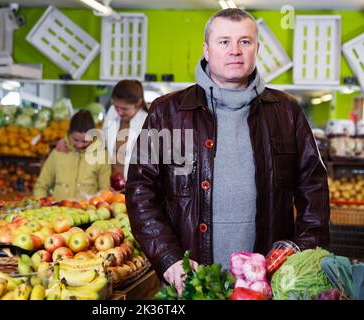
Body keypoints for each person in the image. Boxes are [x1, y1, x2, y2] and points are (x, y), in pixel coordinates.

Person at [125, 8, 330, 295]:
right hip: (191, 283)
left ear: (256, 48)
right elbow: (140, 193)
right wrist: (169, 259)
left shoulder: (286, 112)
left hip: (268, 283)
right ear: (206, 50)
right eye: (224, 42)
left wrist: (301, 249)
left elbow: (314, 189)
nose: (235, 50)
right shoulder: (167, 112)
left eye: (244, 41)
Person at [56, 80, 148, 183]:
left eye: (125, 109)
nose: (119, 112)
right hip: (111, 182)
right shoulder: (112, 112)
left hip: (135, 183)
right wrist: (67, 141)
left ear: (139, 103)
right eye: (117, 107)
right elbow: (100, 140)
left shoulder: (147, 121)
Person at [34, 110, 111, 201]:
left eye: (85, 141)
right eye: (75, 140)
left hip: (88, 212)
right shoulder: (58, 152)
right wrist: (41, 204)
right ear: (69, 133)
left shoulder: (102, 156)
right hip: (58, 211)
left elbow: (105, 191)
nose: (79, 145)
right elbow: (41, 185)